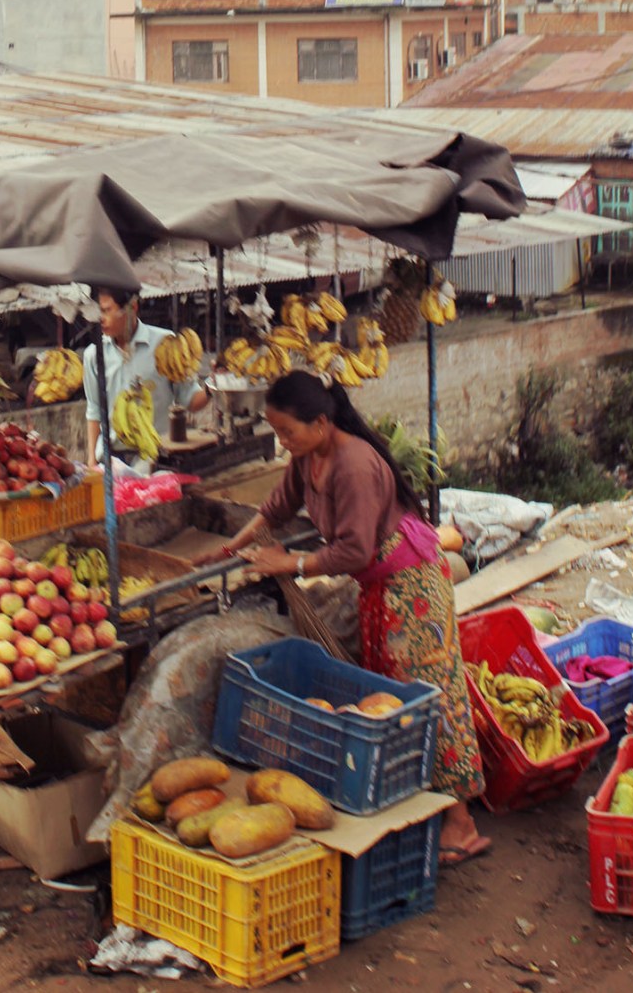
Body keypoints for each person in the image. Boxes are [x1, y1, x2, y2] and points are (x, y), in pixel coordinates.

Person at [198, 368, 490, 869]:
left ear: (321, 422)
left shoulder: (353, 464)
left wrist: (288, 563)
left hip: (413, 589)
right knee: (387, 697)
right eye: (277, 433)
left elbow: (354, 550)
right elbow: (276, 508)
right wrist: (231, 547)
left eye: (288, 431)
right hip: (380, 587)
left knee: (425, 698)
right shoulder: (307, 457)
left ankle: (461, 823)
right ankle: (422, 808)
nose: (282, 441)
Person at [83, 287, 210, 474]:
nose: (101, 318)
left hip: (157, 460)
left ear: (132, 307)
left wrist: (215, 386)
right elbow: (94, 410)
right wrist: (91, 460)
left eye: (107, 310)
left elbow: (190, 400)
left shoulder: (165, 344)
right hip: (110, 461)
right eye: (98, 312)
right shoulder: (94, 355)